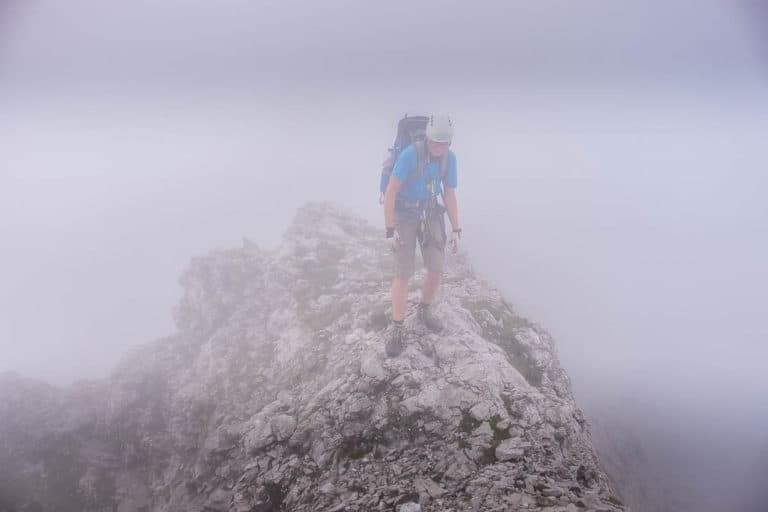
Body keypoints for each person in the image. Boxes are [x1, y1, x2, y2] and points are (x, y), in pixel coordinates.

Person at [382, 113, 461, 357]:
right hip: (404, 214)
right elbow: (391, 191)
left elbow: (448, 193)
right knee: (403, 272)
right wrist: (389, 230)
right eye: (435, 142)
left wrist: (457, 229)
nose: (439, 147)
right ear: (427, 137)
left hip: (429, 212)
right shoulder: (409, 155)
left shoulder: (449, 159)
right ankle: (397, 327)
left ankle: (424, 310)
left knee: (436, 268)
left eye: (444, 143)